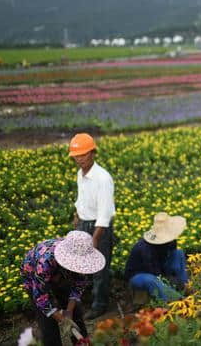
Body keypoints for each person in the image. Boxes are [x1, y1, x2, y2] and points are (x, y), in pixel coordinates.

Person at [20, 231, 105, 346]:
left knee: (75, 314)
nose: (81, 270)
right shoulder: (45, 263)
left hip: (61, 275)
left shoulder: (83, 261)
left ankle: (82, 343)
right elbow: (41, 298)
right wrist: (61, 319)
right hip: (34, 276)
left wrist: (68, 312)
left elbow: (77, 287)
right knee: (48, 322)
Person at [69, 133, 116, 319]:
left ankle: (100, 305)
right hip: (84, 223)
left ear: (93, 153)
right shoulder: (80, 174)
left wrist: (95, 238)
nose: (79, 159)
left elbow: (105, 213)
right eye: (76, 156)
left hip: (99, 228)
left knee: (99, 267)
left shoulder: (103, 179)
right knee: (81, 263)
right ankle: (85, 299)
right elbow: (82, 198)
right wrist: (77, 215)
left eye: (83, 154)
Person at [124, 212, 190, 302]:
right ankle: (177, 301)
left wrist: (177, 280)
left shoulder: (171, 240)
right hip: (140, 275)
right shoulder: (144, 248)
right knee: (152, 280)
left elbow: (170, 256)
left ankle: (187, 286)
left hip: (160, 267)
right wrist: (170, 280)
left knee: (179, 253)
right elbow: (156, 274)